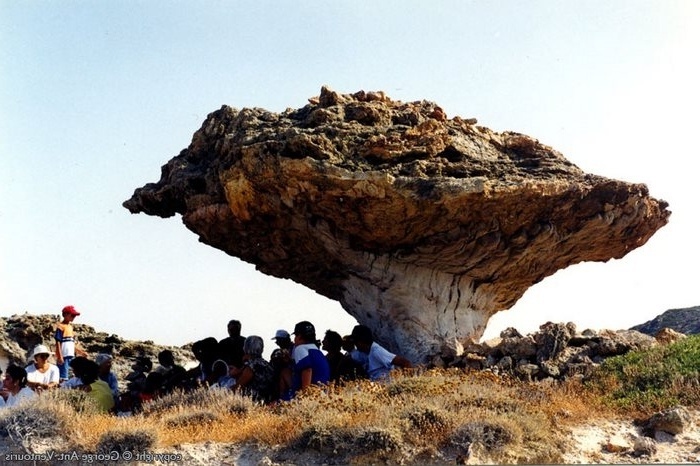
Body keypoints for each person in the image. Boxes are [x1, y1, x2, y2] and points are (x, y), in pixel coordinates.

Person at [291, 321, 330, 397]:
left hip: (312, 393)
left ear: (299, 336)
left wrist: (305, 395)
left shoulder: (300, 349)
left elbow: (307, 370)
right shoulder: (316, 350)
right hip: (322, 392)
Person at [233, 336, 274, 403]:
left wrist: (221, 392)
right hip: (267, 401)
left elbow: (237, 388)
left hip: (254, 404)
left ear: (246, 348)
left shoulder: (251, 366)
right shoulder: (267, 365)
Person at [54, 305, 87, 382]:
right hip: (64, 356)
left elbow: (71, 344)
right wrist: (60, 356)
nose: (73, 317)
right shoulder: (60, 327)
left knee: (70, 375)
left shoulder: (70, 327)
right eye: (72, 315)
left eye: (74, 315)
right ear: (65, 314)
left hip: (71, 356)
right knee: (63, 377)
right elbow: (58, 342)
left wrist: (81, 352)